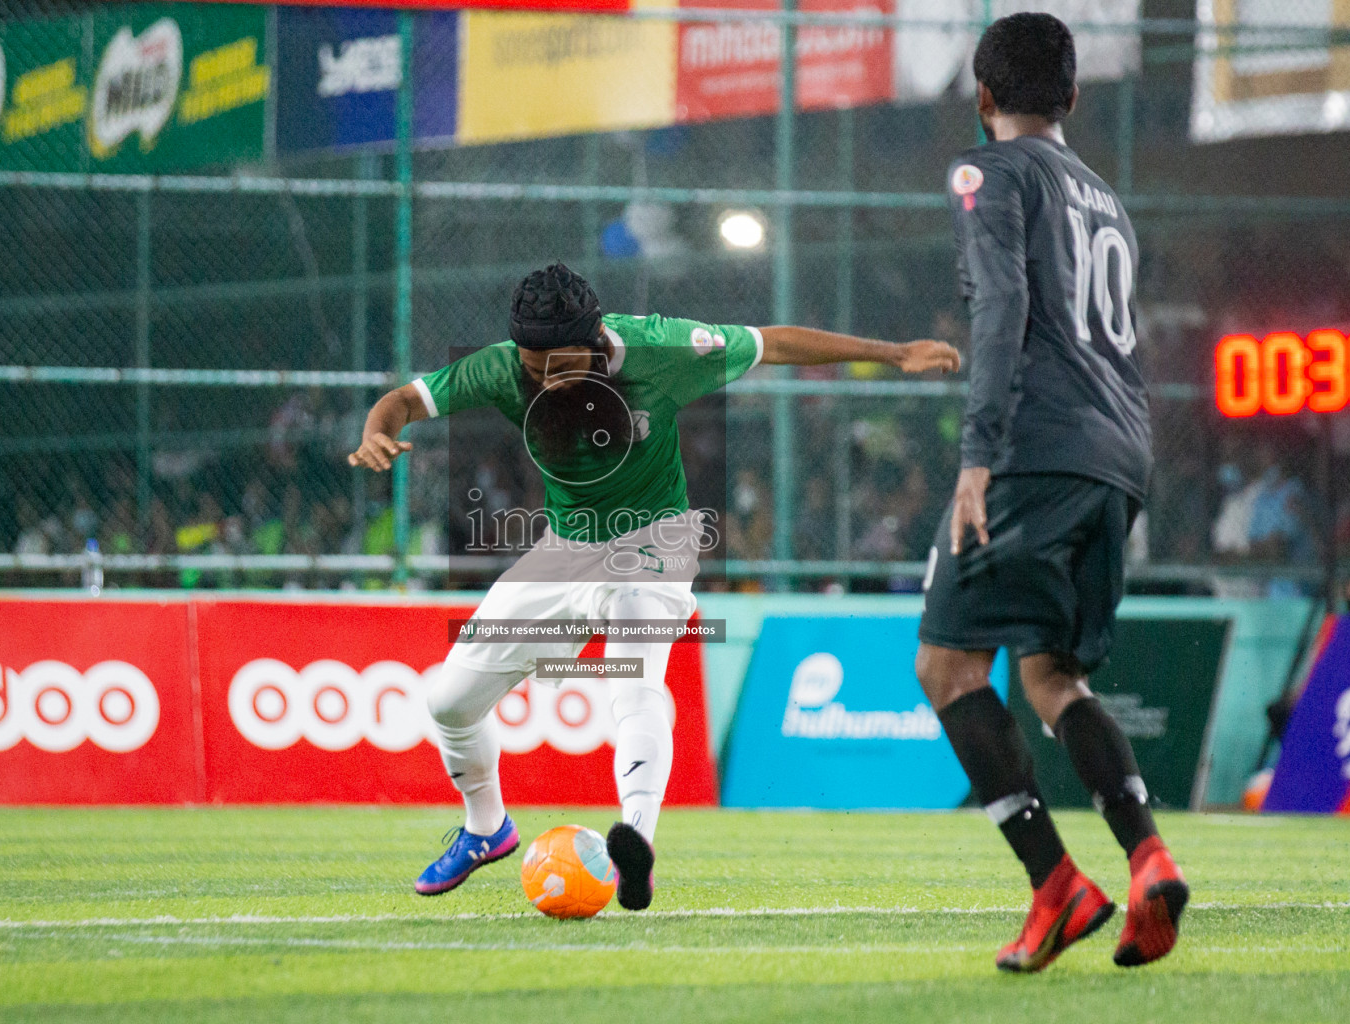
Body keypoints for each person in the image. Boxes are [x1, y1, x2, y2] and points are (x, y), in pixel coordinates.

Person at [350, 263, 958, 909]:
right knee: (448, 700)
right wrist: (378, 428)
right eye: (534, 366)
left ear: (596, 338)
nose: (546, 377)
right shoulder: (501, 366)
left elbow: (774, 341)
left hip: (656, 544)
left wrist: (893, 354)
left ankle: (633, 843)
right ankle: (485, 829)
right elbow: (407, 400)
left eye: (561, 363)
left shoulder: (666, 349)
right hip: (563, 551)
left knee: (632, 679)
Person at [912, 14, 1188, 973]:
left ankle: (1056, 884)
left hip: (1032, 452)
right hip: (1120, 456)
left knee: (947, 670)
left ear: (982, 96)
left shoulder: (988, 172)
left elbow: (1002, 307)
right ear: (1072, 96)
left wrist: (977, 455)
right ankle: (1147, 854)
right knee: (1051, 678)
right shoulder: (1106, 198)